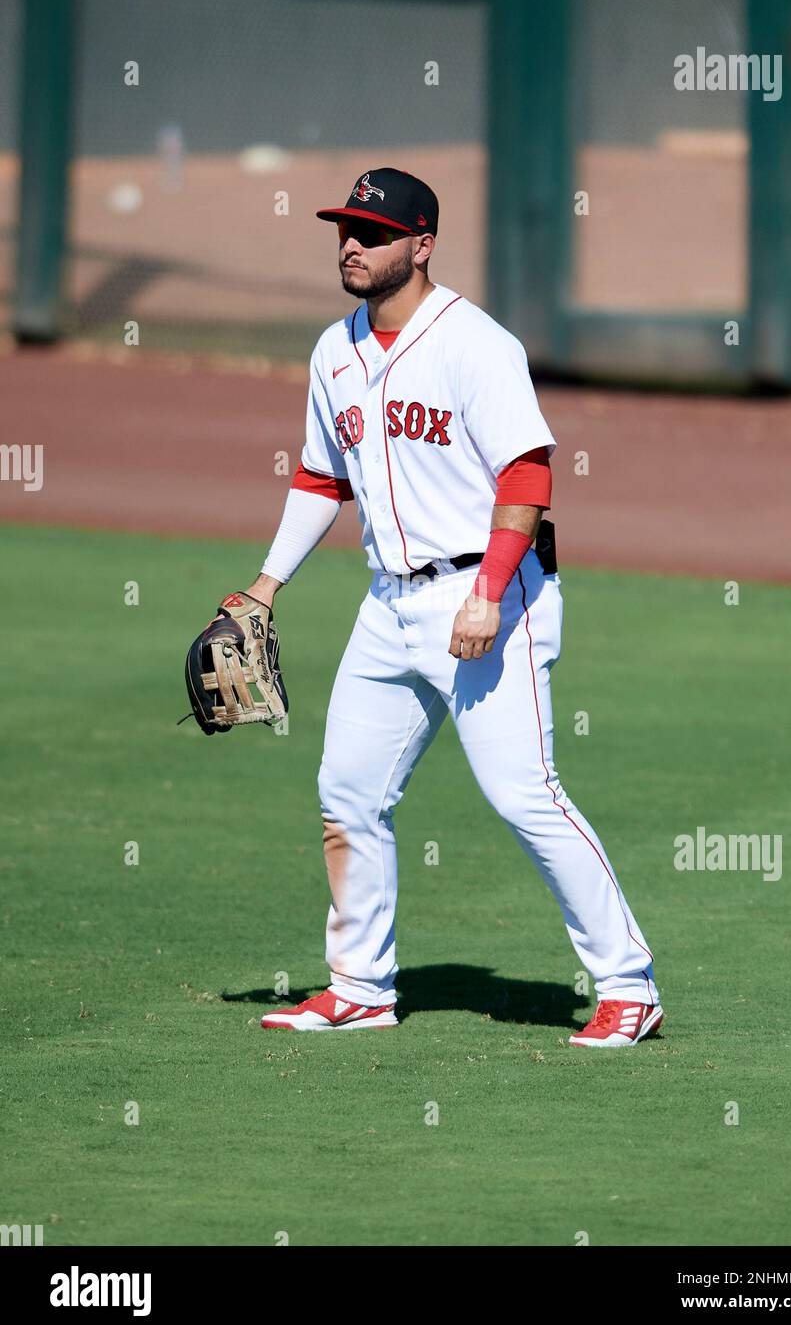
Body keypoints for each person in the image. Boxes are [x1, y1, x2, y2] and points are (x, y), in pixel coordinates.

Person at [241, 167, 662, 1046]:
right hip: (386, 606)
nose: (352, 245)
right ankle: (359, 985)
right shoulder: (334, 350)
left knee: (523, 795)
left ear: (421, 245)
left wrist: (485, 594)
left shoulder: (476, 344)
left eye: (373, 232)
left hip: (488, 599)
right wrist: (265, 584)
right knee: (347, 794)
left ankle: (628, 983)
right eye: (345, 231)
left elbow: (528, 473)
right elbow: (323, 478)